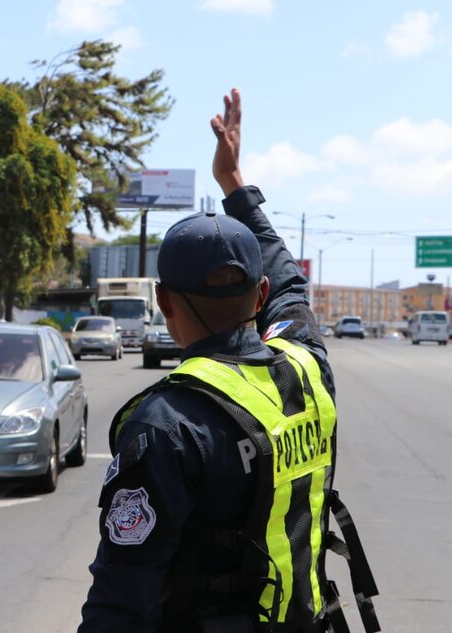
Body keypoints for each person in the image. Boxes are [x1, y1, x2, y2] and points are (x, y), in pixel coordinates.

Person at [78, 89, 380, 633]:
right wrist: (234, 182)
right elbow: (290, 284)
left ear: (163, 300)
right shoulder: (307, 367)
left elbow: (121, 603)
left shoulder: (166, 425)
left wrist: (229, 180)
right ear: (259, 295)